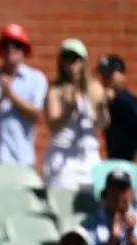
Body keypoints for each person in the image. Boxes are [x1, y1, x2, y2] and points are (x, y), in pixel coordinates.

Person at [0, 24, 48, 180]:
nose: (10, 49)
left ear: (24, 50)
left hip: (21, 161)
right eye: (6, 45)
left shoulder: (36, 79)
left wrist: (12, 96)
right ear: (0, 50)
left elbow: (37, 115)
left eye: (16, 45)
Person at [43, 39, 108, 190]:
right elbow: (53, 126)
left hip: (89, 155)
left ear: (83, 61)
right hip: (63, 157)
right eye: (66, 57)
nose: (71, 62)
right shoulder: (55, 90)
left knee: (91, 204)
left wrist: (102, 107)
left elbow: (102, 124)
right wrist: (69, 108)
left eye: (75, 57)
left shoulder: (94, 87)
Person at [82, 170, 137, 245]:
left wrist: (131, 238)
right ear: (106, 193)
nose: (119, 195)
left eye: (123, 190)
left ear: (131, 193)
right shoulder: (91, 223)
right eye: (114, 190)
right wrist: (110, 243)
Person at [98, 55, 137, 162]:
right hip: (113, 162)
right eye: (103, 75)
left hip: (129, 165)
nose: (105, 79)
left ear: (121, 75)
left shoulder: (130, 103)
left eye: (109, 75)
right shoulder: (106, 102)